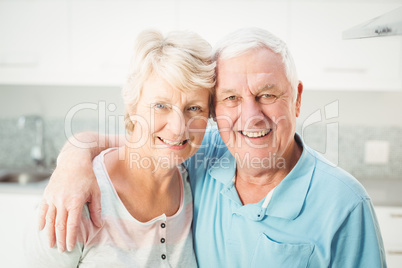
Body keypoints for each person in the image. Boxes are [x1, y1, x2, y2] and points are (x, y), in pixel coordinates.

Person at [38, 28, 386, 267]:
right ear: (218, 113)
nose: (251, 117)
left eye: (267, 94)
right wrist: (74, 157)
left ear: (296, 99)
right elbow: (147, 146)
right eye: (232, 98)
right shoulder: (207, 157)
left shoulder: (345, 204)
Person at [24, 29, 215, 267]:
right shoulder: (79, 198)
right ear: (133, 106)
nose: (178, 128)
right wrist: (72, 159)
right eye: (161, 105)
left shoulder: (195, 180)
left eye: (194, 108)